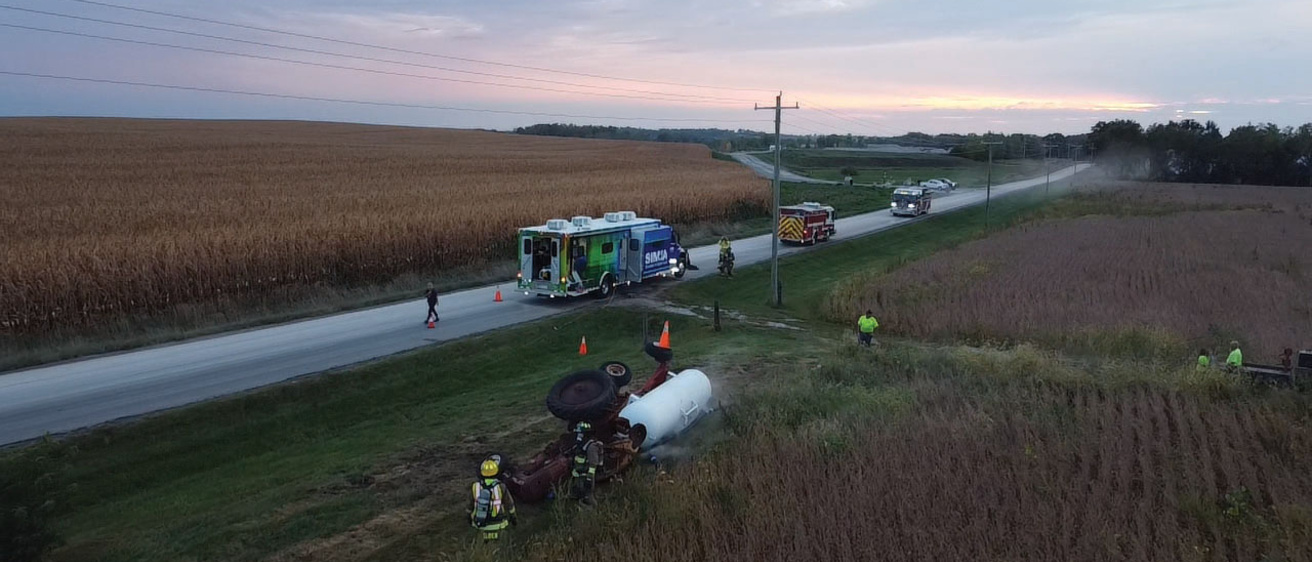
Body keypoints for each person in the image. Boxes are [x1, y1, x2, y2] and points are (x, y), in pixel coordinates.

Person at [469, 458, 516, 542]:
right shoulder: (501, 486)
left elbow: (470, 505)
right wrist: (513, 517)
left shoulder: (475, 486)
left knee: (482, 544)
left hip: (480, 523)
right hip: (498, 522)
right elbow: (510, 504)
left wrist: (469, 517)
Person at [570, 421, 603, 506]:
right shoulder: (579, 446)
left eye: (580, 434)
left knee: (589, 499)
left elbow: (593, 465)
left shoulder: (591, 447)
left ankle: (594, 513)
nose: (578, 436)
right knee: (579, 497)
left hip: (586, 479)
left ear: (586, 434)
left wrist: (589, 479)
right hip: (578, 477)